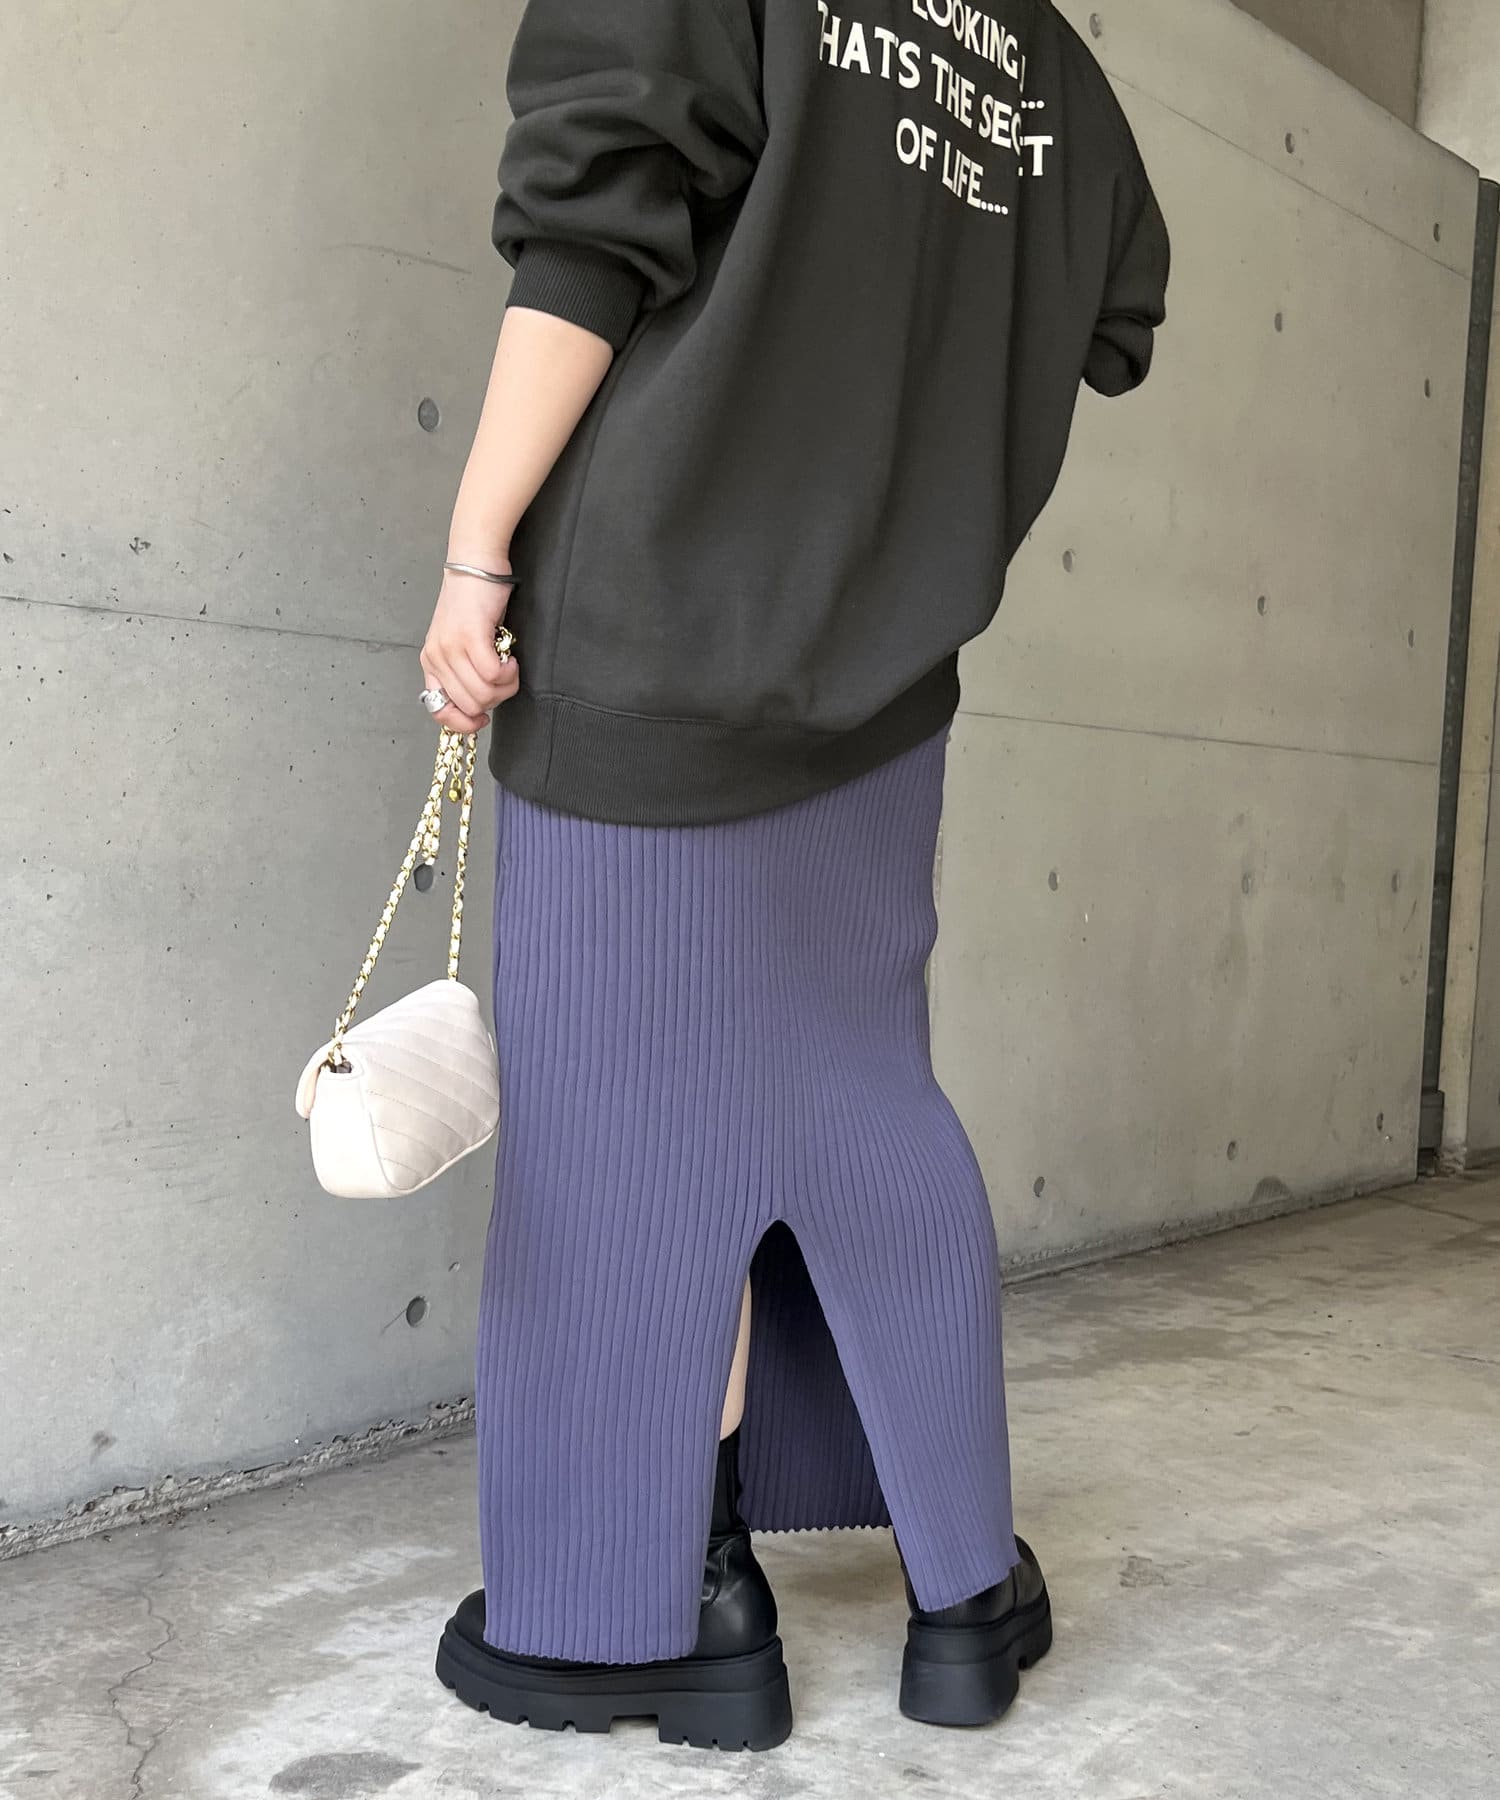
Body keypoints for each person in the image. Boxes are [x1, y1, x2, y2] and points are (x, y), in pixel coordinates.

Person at [426, 0, 1169, 1753]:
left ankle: (664, 1610)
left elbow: (592, 228)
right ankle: (964, 1594)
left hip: (659, 627)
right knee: (861, 1104)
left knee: (626, 1142)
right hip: (885, 672)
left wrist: (475, 552)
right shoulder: (1047, 65)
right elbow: (1111, 315)